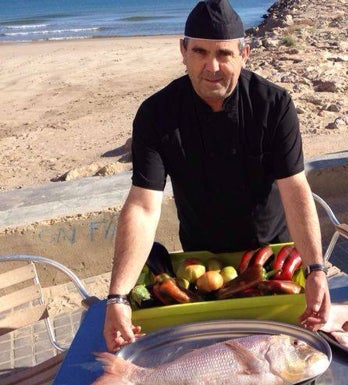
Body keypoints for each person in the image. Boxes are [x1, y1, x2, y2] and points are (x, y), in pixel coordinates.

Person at [103, 0, 329, 352]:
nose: (212, 67)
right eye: (200, 52)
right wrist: (117, 296)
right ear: (183, 51)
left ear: (245, 54)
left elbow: (294, 188)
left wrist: (316, 269)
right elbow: (143, 205)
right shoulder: (156, 113)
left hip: (273, 263)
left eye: (224, 54)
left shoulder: (274, 104)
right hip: (200, 266)